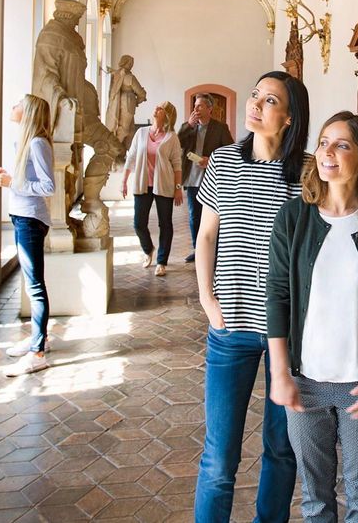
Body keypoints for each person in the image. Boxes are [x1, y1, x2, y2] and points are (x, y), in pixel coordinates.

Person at [266, 111, 358, 522]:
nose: (327, 152)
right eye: (324, 142)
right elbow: (276, 296)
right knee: (314, 497)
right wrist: (280, 373)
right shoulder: (294, 217)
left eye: (342, 144)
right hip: (306, 380)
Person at [194, 71, 310, 522]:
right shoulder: (224, 161)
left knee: (281, 450)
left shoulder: (307, 172)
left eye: (271, 99)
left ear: (289, 117)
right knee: (219, 458)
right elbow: (206, 236)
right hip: (231, 328)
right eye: (256, 95)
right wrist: (208, 300)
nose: (256, 103)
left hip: (288, 332)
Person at [0, 95, 55, 377]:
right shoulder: (26, 142)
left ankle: (37, 352)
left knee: (36, 287)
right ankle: (37, 340)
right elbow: (25, 181)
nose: (12, 106)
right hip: (22, 215)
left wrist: (12, 181)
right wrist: (9, 176)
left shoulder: (38, 143)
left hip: (31, 218)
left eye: (17, 102)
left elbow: (48, 186)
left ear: (27, 111)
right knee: (31, 285)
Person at [121, 101, 183, 277]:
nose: (156, 109)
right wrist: (124, 180)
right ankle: (148, 249)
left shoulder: (172, 137)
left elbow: (177, 164)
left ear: (167, 115)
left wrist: (178, 188)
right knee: (138, 223)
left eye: (160, 108)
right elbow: (131, 156)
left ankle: (162, 261)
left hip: (164, 185)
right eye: (157, 107)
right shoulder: (141, 133)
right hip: (142, 184)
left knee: (165, 223)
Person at [178, 93, 233, 263]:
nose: (196, 109)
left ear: (210, 109)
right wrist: (188, 125)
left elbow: (230, 150)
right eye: (195, 106)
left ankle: (216, 251)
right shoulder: (187, 127)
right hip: (193, 180)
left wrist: (210, 159)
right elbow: (176, 144)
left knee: (215, 217)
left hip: (213, 179)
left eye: (200, 106)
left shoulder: (220, 128)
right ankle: (198, 249)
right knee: (195, 216)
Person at [106, 54, 147, 152]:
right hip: (128, 104)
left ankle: (123, 153)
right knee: (124, 129)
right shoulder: (129, 77)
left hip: (118, 104)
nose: (132, 65)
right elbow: (141, 93)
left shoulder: (116, 75)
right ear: (127, 63)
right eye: (131, 63)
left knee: (129, 130)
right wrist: (139, 100)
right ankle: (113, 151)